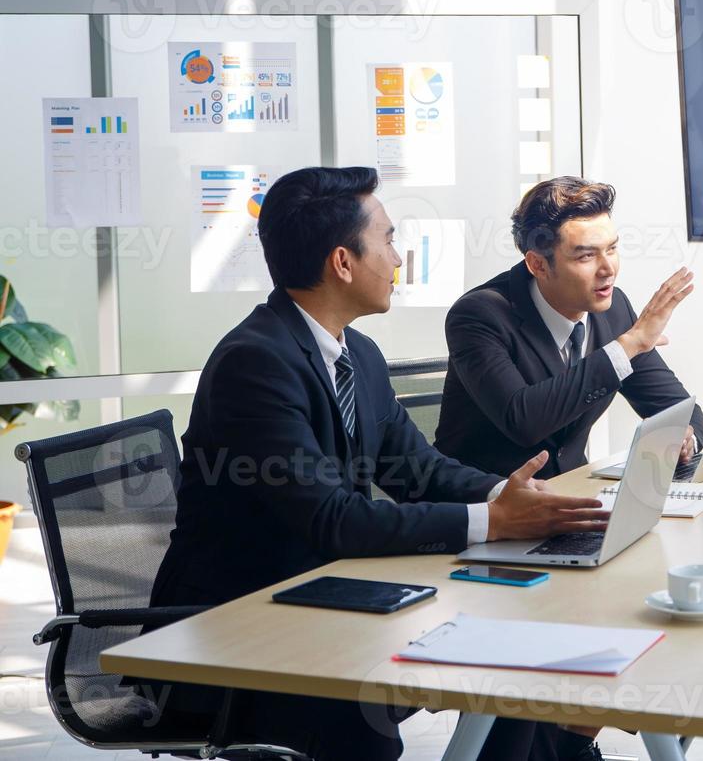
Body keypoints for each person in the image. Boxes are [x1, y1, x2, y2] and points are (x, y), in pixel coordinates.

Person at [149, 166, 609, 761]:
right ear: (343, 262)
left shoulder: (357, 354)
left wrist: (516, 497)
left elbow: (420, 470)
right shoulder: (255, 364)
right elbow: (332, 520)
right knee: (491, 673)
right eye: (388, 240)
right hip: (240, 637)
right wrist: (494, 522)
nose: (398, 258)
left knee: (523, 659)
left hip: (323, 601)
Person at [436, 176, 703, 481]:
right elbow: (523, 420)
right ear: (537, 265)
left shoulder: (614, 308)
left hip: (572, 497)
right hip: (489, 509)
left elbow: (682, 411)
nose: (608, 269)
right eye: (587, 256)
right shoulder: (479, 315)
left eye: (612, 249)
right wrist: (627, 346)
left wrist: (684, 437)